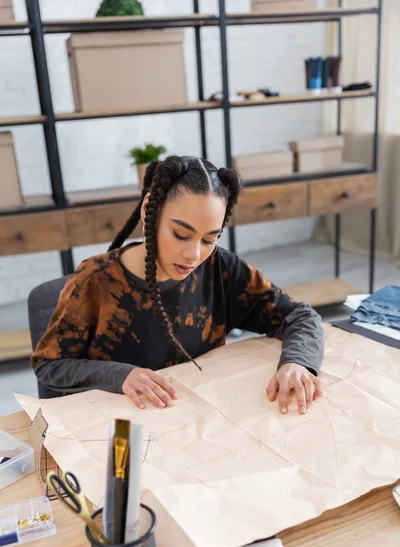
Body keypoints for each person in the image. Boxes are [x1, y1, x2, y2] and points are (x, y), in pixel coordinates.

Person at [31, 155, 323, 415]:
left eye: (210, 239)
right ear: (149, 211)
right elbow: (50, 366)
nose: (194, 255)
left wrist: (297, 362)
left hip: (198, 424)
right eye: (181, 235)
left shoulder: (220, 268)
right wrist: (120, 376)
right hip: (121, 431)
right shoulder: (95, 280)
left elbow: (298, 315)